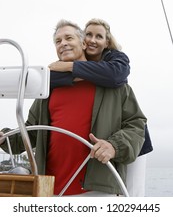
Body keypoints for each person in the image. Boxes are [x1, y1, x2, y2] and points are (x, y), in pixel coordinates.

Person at [0, 19, 146, 196]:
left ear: (83, 43)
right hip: (50, 190)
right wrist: (4, 138)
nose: (63, 44)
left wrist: (114, 146)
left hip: (96, 191)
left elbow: (137, 124)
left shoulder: (114, 85)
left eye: (69, 38)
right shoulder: (48, 88)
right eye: (58, 41)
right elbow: (31, 131)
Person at [48, 18, 153, 196]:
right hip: (55, 189)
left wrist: (115, 146)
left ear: (106, 42)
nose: (92, 40)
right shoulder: (53, 83)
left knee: (135, 194)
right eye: (88, 34)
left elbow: (115, 76)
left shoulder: (114, 67)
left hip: (131, 150)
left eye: (99, 36)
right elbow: (48, 80)